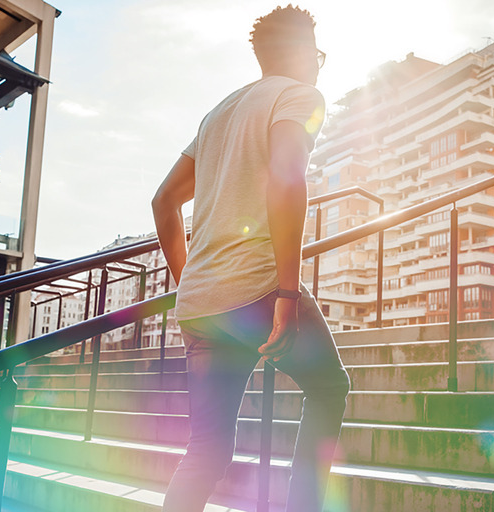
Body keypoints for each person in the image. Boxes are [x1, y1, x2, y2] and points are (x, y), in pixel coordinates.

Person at [151, 5, 349, 511]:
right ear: (304, 53)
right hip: (259, 290)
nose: (320, 65)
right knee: (328, 389)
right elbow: (287, 178)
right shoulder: (301, 95)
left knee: (207, 450)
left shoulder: (220, 113)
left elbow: (164, 201)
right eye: (318, 55)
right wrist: (286, 293)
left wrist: (190, 279)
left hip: (201, 305)